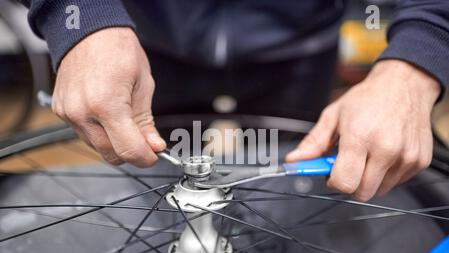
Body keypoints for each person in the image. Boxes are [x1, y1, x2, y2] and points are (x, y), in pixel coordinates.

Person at [18, 0, 449, 201]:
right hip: (144, 48)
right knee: (151, 182)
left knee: (291, 191)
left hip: (299, 48)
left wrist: (418, 59)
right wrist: (76, 17)